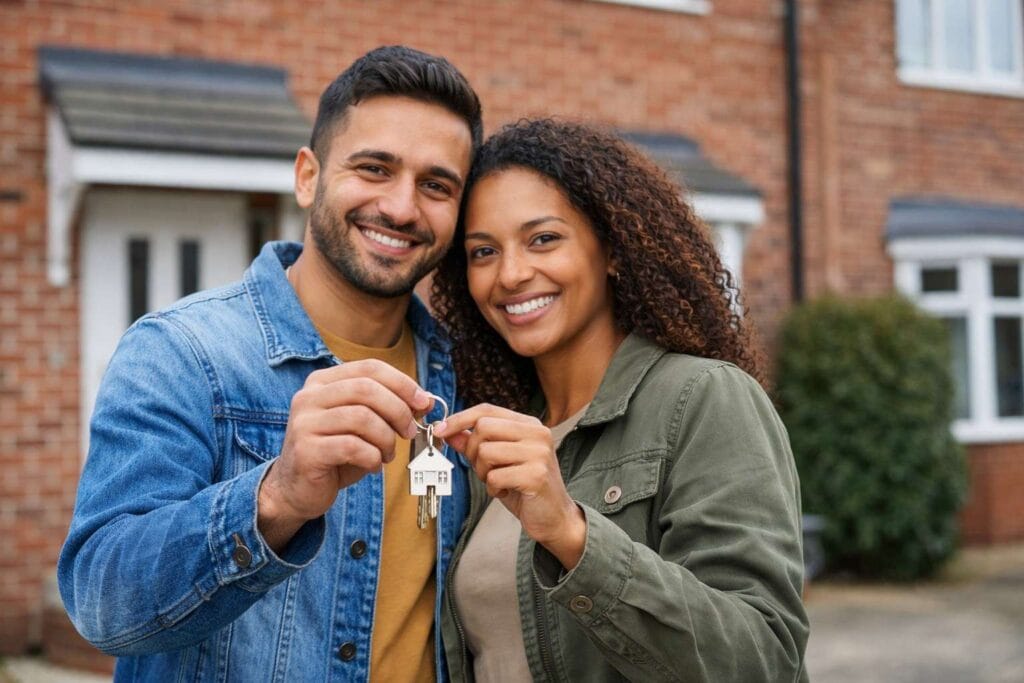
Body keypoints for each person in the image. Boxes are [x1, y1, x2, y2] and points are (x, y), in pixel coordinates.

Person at [58, 45, 482, 682]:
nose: (401, 207)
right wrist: (276, 499)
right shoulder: (182, 353)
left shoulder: (468, 376)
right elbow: (101, 602)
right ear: (308, 176)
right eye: (373, 168)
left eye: (436, 185)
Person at [431, 119, 809, 682]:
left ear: (611, 250)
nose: (510, 274)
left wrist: (573, 535)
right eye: (483, 251)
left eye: (543, 239)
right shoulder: (503, 433)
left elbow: (763, 657)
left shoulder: (703, 398)